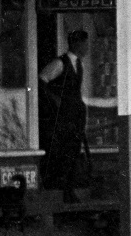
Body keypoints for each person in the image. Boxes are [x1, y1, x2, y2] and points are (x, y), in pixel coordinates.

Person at [38, 30, 94, 203]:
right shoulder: (60, 63)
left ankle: (69, 189)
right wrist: (54, 100)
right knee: (63, 152)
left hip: (75, 115)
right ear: (77, 44)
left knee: (73, 152)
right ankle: (61, 190)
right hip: (63, 117)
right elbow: (40, 81)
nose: (87, 47)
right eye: (85, 44)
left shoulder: (80, 64)